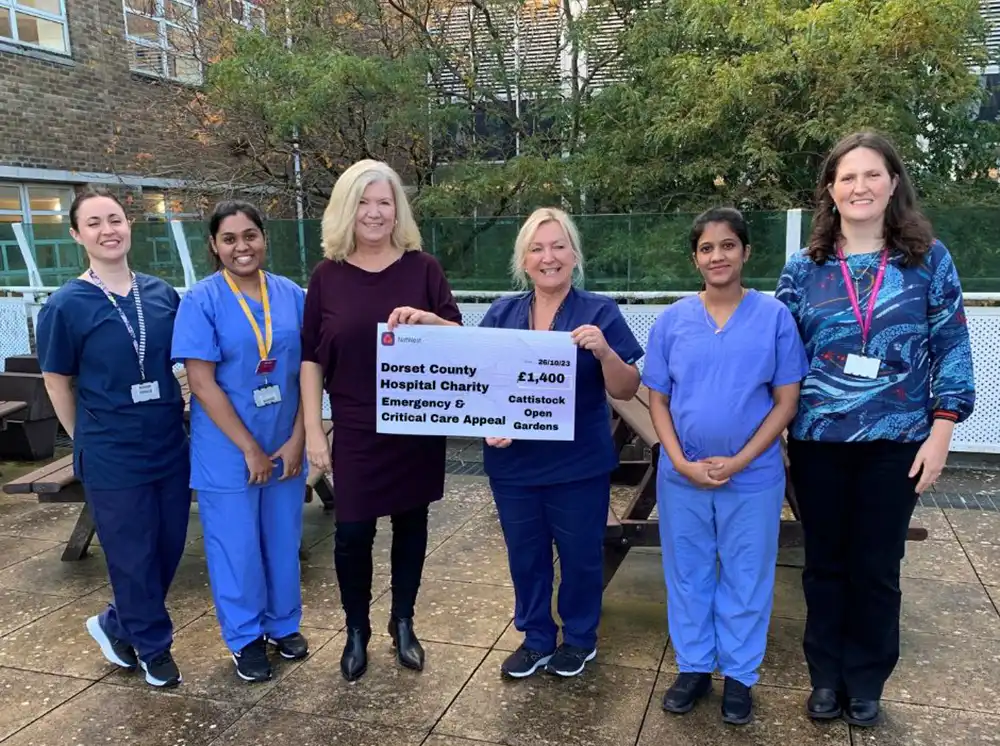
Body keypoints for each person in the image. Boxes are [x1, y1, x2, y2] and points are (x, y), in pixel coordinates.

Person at [776, 131, 975, 727]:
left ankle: (865, 680)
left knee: (877, 565)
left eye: (871, 175)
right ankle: (825, 677)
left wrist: (942, 430)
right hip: (818, 441)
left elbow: (952, 347)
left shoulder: (928, 260)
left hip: (897, 442)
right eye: (847, 177)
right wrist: (775, 429)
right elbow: (780, 356)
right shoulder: (803, 268)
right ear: (830, 191)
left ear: (893, 184)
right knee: (824, 565)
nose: (859, 186)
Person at [643, 207, 808, 725]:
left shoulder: (774, 318)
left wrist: (739, 459)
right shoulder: (672, 322)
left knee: (746, 574)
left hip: (752, 476)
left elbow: (786, 400)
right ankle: (693, 666)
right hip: (683, 477)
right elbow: (657, 400)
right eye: (707, 248)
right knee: (688, 573)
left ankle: (739, 675)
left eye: (728, 245)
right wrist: (677, 460)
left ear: (746, 252)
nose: (718, 256)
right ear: (695, 259)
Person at [300, 159, 462, 682]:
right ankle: (355, 629)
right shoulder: (327, 276)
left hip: (416, 423)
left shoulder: (424, 269)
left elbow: (459, 341)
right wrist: (312, 431)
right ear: (347, 210)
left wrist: (432, 322)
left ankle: (403, 621)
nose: (374, 212)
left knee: (412, 527)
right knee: (351, 533)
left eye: (384, 202)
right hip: (354, 424)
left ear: (398, 211)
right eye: (363, 202)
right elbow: (310, 359)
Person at [36, 186, 190, 688]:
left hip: (167, 441)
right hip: (110, 450)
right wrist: (83, 436)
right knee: (131, 552)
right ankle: (152, 646)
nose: (109, 230)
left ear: (129, 226)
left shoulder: (160, 294)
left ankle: (114, 624)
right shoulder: (66, 305)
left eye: (116, 220)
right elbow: (57, 380)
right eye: (96, 223)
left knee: (168, 546)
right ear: (78, 234)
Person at [480, 207, 643, 679]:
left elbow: (626, 388)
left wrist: (604, 350)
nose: (548, 257)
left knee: (580, 557)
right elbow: (483, 380)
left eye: (557, 246)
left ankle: (579, 639)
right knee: (525, 557)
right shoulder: (502, 312)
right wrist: (489, 422)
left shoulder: (599, 311)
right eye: (537, 248)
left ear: (573, 254)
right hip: (514, 465)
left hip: (577, 465)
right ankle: (535, 638)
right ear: (524, 260)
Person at [171, 200, 308, 683]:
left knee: (281, 538)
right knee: (237, 546)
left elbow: (311, 372)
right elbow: (202, 383)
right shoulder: (202, 300)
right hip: (228, 450)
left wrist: (299, 438)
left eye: (250, 235)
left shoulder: (291, 294)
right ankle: (246, 637)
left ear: (264, 238)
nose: (241, 247)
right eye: (229, 239)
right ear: (214, 246)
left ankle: (283, 624)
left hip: (285, 441)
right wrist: (249, 448)